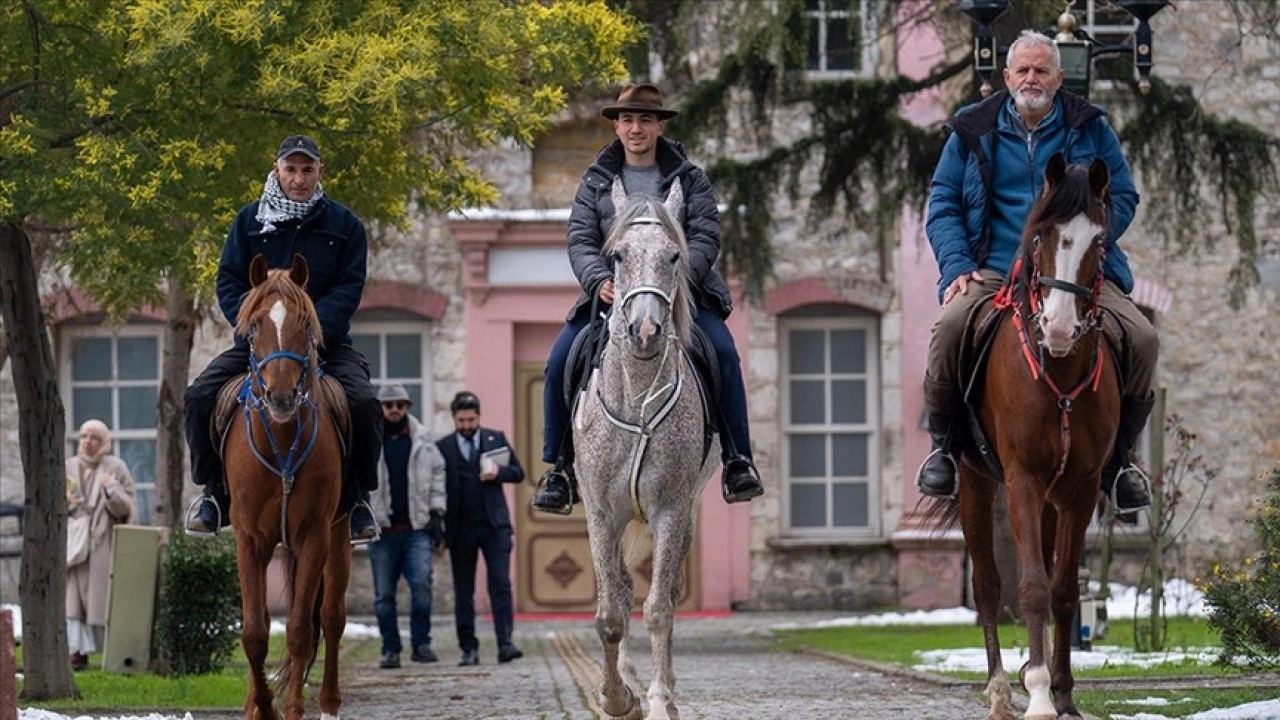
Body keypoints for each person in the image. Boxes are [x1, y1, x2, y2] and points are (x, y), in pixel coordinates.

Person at [918, 30, 1158, 514]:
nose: (1032, 79)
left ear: (1058, 77)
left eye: (1041, 70)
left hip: (1074, 272)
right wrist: (957, 265)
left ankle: (1121, 461)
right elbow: (942, 202)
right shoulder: (971, 129)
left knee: (1144, 338)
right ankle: (943, 449)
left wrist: (1090, 235)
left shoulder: (1091, 128)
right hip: (992, 268)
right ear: (1006, 77)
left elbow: (1125, 195)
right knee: (947, 331)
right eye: (1023, 70)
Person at [532, 82, 765, 515]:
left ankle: (737, 460)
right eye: (627, 120)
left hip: (682, 297)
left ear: (659, 126)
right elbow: (581, 239)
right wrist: (598, 279)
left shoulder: (690, 179)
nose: (635, 128)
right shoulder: (596, 181)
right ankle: (560, 469)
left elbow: (705, 236)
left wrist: (675, 282)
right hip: (612, 298)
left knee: (723, 355)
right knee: (560, 360)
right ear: (617, 127)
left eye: (644, 119)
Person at [183, 134, 381, 543]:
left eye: (307, 169)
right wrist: (256, 327)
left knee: (363, 403)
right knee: (199, 396)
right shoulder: (248, 221)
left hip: (324, 342)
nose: (299, 178)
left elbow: (350, 285)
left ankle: (359, 499)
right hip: (259, 345)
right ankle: (212, 494)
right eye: (291, 169)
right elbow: (229, 281)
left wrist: (308, 327)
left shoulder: (344, 225)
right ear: (277, 171)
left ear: (319, 172)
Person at [436, 391, 524, 666]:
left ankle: (505, 644)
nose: (466, 425)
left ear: (478, 417)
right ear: (453, 419)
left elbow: (519, 473)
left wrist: (498, 473)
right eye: (461, 420)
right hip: (460, 529)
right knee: (464, 591)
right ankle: (468, 649)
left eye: (470, 420)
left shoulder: (494, 439)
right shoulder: (443, 447)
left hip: (494, 526)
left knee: (500, 584)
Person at [369, 383, 447, 669]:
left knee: (422, 588)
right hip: (382, 530)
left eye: (400, 405)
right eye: (389, 405)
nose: (394, 410)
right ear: (381, 408)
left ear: (407, 407)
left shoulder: (424, 441)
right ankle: (390, 649)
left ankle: (421, 644)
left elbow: (438, 477)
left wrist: (438, 514)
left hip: (417, 530)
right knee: (383, 597)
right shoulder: (370, 442)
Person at [65, 420, 137, 671]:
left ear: (103, 441)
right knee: (73, 598)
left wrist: (111, 489)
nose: (87, 441)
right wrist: (68, 503)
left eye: (94, 437)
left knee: (101, 597)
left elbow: (127, 507)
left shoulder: (115, 467)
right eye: (83, 436)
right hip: (75, 542)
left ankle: (110, 650)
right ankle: (77, 650)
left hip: (102, 540)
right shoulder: (68, 467)